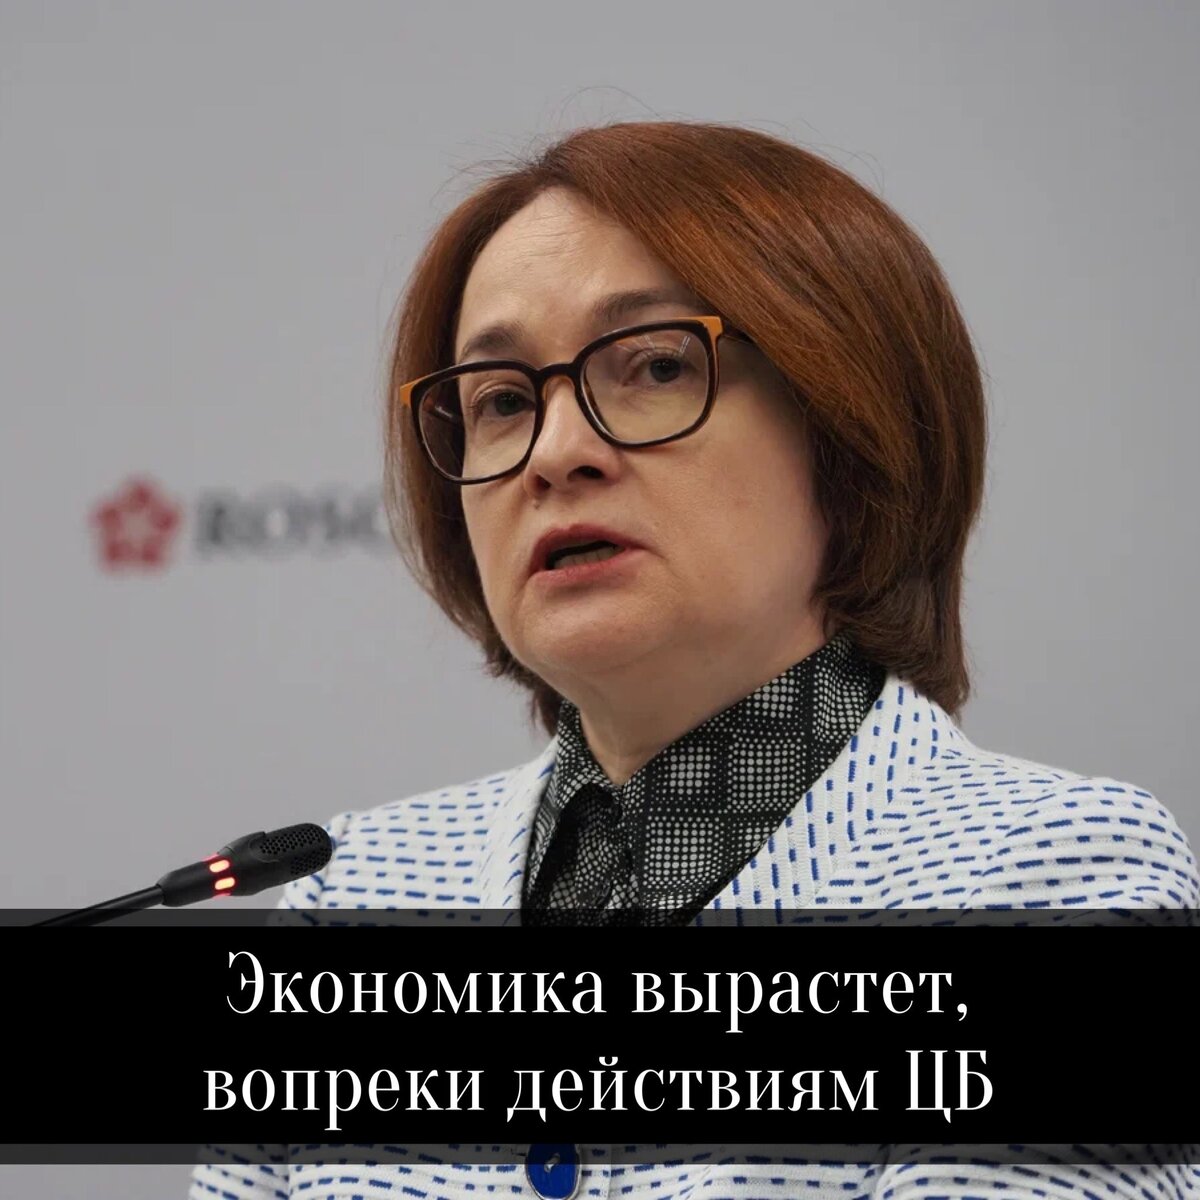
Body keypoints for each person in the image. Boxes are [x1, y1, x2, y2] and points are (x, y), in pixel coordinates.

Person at [188, 120, 1199, 1199]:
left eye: (657, 366)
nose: (556, 454)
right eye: (502, 402)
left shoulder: (1051, 877)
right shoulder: (351, 898)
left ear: (849, 425)